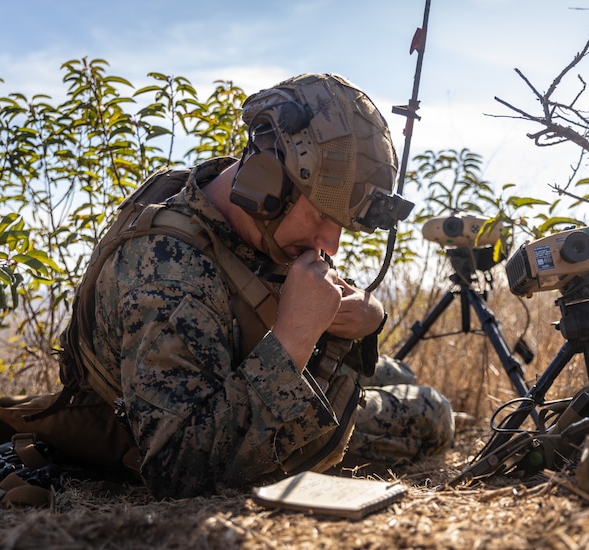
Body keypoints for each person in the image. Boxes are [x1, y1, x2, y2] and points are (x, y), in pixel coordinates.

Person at [61, 73, 454, 498]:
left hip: (244, 377)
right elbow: (178, 468)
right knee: (434, 411)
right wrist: (295, 336)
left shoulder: (239, 212)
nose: (330, 245)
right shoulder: (167, 271)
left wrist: (365, 316)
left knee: (401, 372)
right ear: (268, 180)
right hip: (212, 422)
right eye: (322, 216)